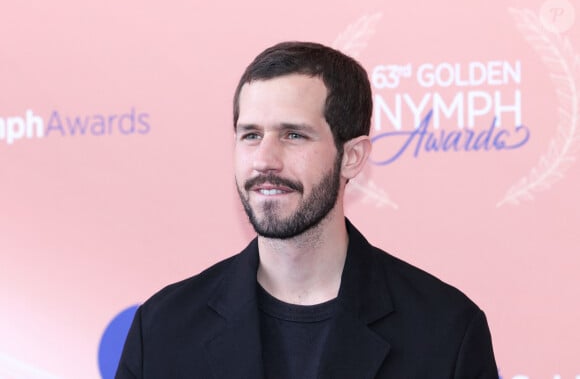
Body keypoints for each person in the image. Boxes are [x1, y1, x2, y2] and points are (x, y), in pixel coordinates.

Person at [116, 41, 498, 378]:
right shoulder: (163, 329)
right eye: (251, 135)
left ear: (351, 157)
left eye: (293, 135)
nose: (265, 160)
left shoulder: (446, 331)